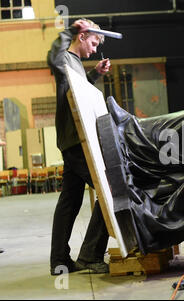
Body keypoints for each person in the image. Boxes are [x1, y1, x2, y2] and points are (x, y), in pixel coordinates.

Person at [47, 18, 111, 275]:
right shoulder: (64, 60)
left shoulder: (76, 65)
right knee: (109, 193)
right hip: (76, 141)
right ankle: (90, 255)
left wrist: (95, 73)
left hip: (72, 139)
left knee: (69, 202)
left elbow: (79, 97)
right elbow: (52, 56)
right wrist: (72, 29)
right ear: (82, 37)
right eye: (93, 42)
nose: (94, 49)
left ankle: (59, 261)